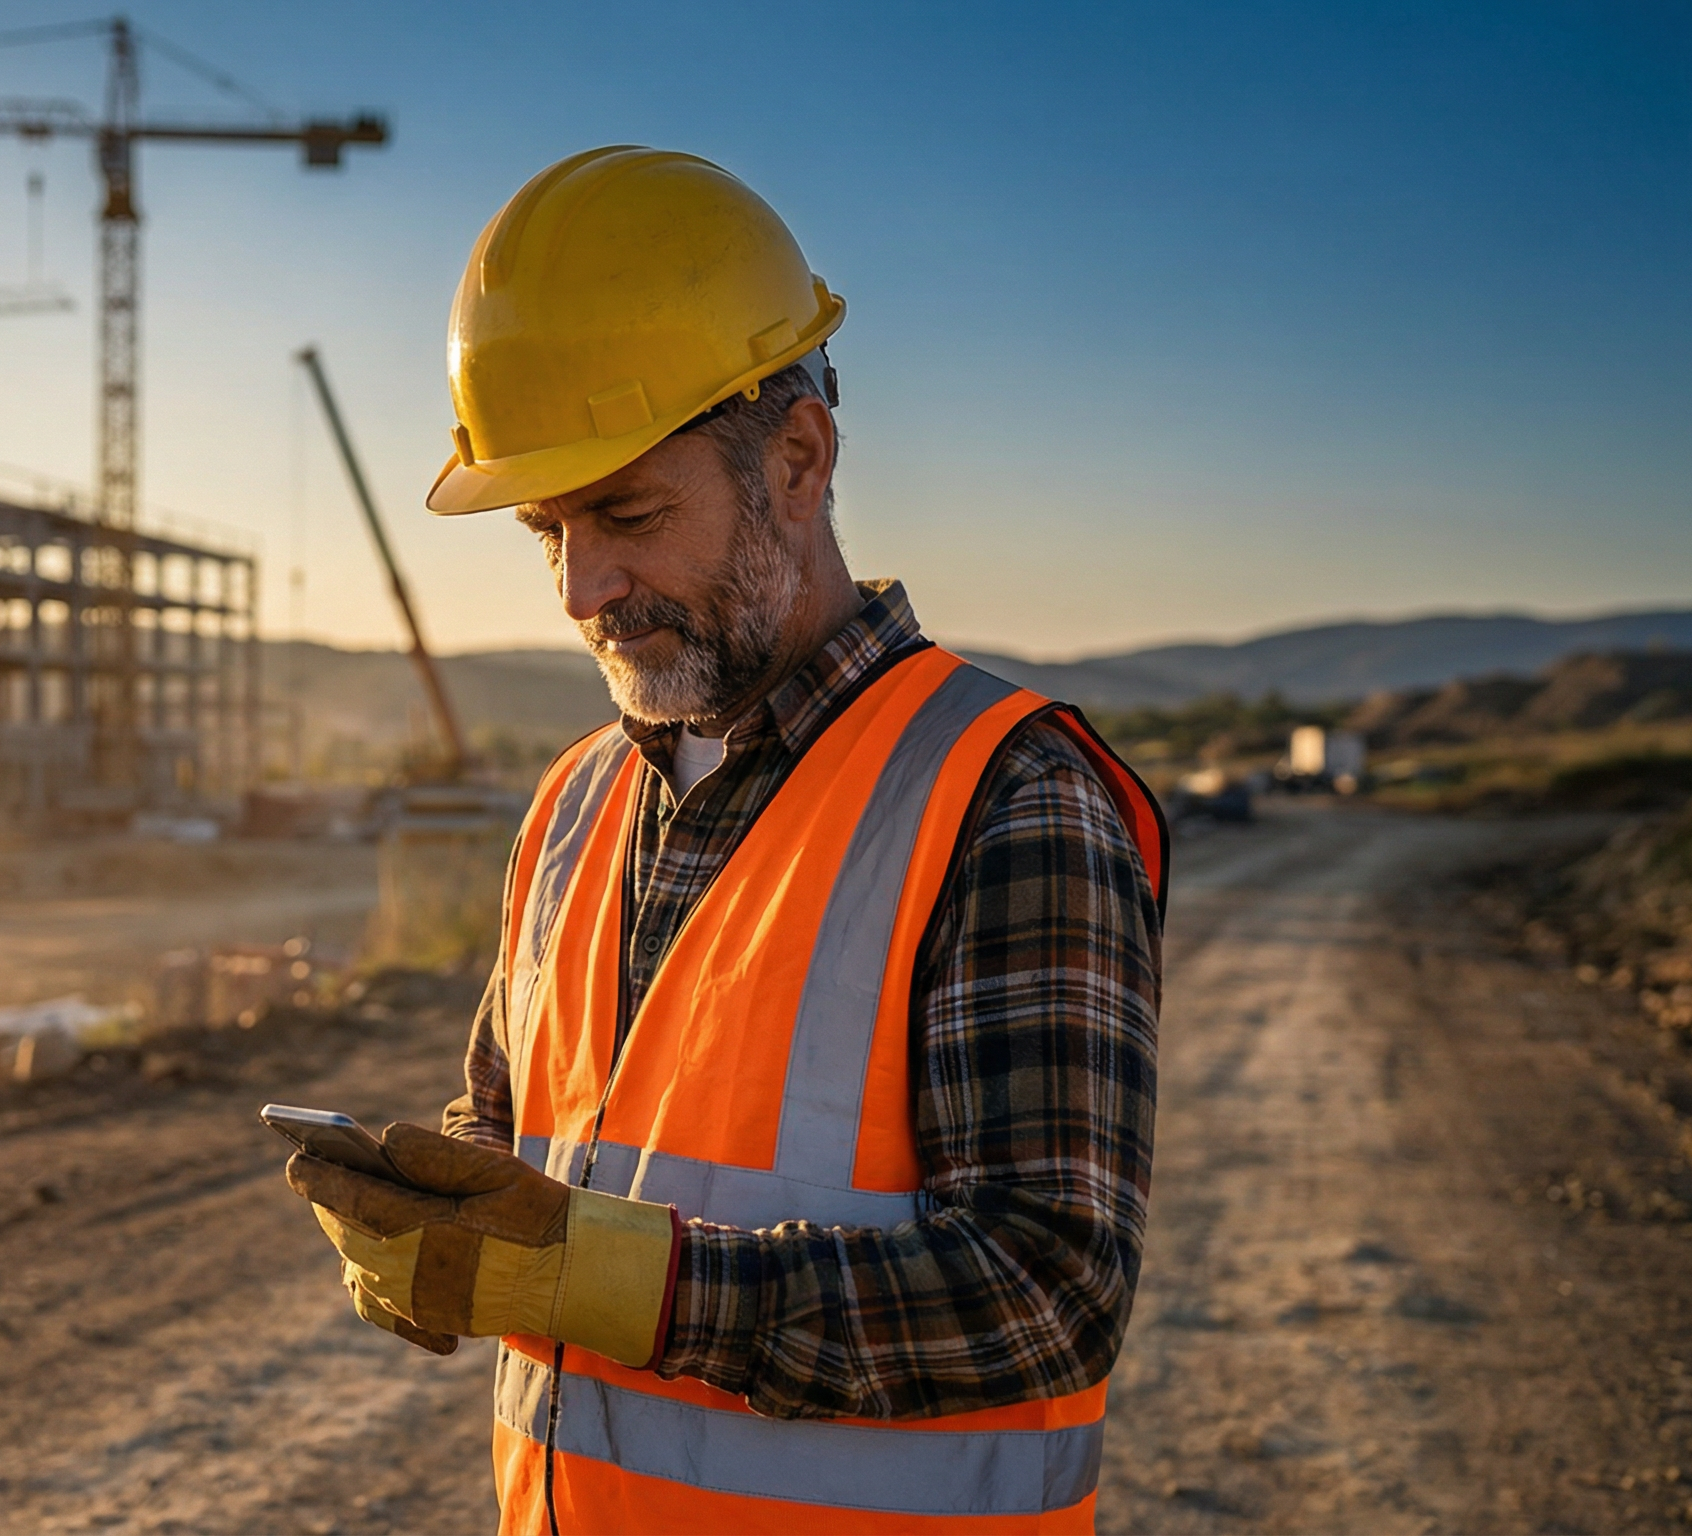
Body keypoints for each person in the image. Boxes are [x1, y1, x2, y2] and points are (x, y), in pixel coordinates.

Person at [282, 146, 1170, 1534]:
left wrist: (629, 1287)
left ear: (800, 461)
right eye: (547, 528)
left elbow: (1045, 1293)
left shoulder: (1007, 795)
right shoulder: (576, 801)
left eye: (630, 513)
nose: (584, 587)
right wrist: (439, 1223)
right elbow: (525, 1137)